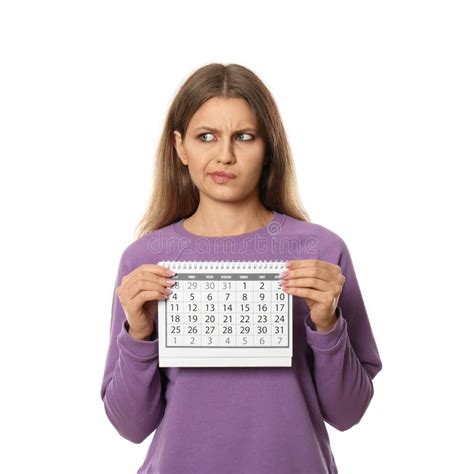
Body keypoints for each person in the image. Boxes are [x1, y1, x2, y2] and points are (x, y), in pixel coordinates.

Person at [100, 63, 383, 474]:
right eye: (206, 137)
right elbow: (130, 426)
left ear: (268, 147)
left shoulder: (321, 251)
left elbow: (348, 413)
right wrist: (139, 334)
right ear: (180, 147)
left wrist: (327, 326)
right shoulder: (144, 259)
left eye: (244, 137)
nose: (225, 155)